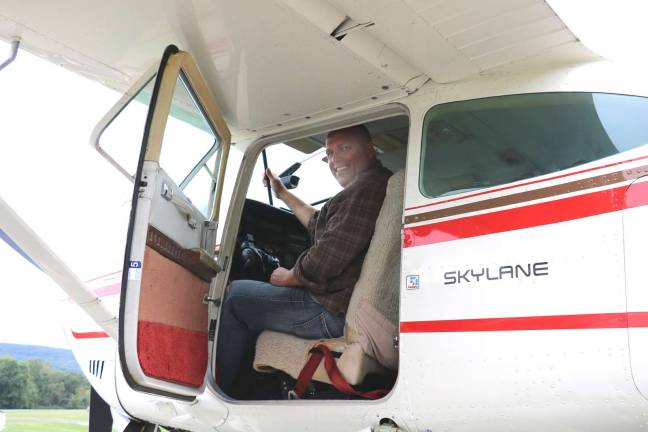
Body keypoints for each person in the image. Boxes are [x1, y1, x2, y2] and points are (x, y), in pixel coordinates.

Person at [216, 124, 393, 396]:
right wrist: (283, 193)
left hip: (329, 310)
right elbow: (319, 224)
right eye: (329, 153)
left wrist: (290, 276)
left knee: (235, 298)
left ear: (370, 151)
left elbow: (328, 257)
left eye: (345, 148)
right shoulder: (370, 187)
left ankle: (220, 391)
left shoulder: (367, 188)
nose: (335, 160)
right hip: (342, 306)